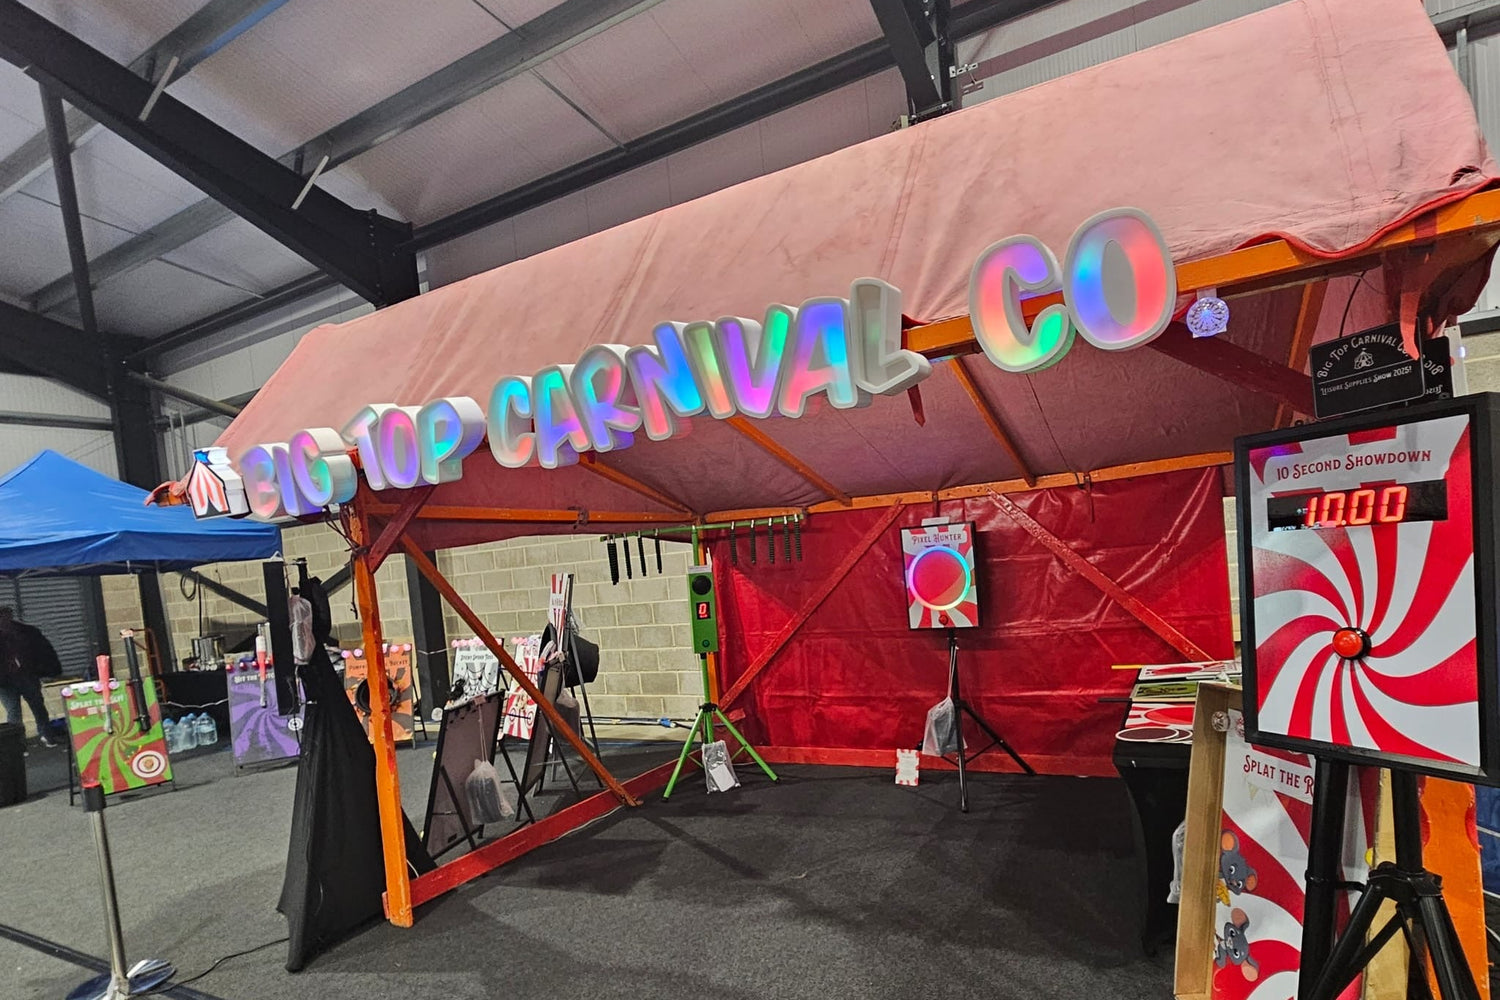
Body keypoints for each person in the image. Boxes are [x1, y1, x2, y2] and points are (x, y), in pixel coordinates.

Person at [0, 607, 59, 746]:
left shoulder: (25, 632)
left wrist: (42, 669)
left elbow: (40, 651)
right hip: (7, 680)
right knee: (16, 711)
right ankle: (19, 744)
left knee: (36, 707)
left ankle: (43, 736)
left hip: (24, 676)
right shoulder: (25, 632)